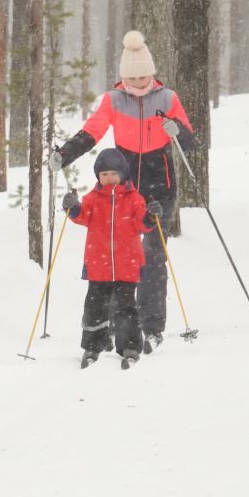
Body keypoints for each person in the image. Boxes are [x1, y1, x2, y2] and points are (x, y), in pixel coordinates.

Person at [49, 30, 194, 353]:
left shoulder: (167, 98)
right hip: (123, 183)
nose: (139, 83)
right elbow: (92, 132)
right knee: (119, 257)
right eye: (132, 77)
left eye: (144, 76)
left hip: (159, 181)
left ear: (152, 73)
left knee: (154, 255)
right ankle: (121, 323)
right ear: (123, 76)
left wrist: (177, 129)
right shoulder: (113, 100)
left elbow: (189, 141)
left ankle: (152, 325)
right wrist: (65, 153)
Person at [62, 148, 162, 370]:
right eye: (104, 174)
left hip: (127, 266)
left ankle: (129, 346)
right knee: (94, 307)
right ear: (98, 176)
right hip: (98, 265)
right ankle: (93, 345)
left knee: (126, 308)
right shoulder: (93, 198)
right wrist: (71, 207)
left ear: (123, 174)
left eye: (113, 174)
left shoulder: (134, 199)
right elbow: (82, 216)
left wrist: (152, 215)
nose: (109, 178)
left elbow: (142, 224)